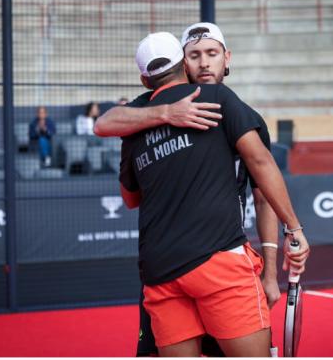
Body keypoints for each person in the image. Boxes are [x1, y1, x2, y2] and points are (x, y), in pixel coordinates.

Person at [96, 23, 287, 356]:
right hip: (182, 269)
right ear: (183, 63)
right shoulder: (143, 110)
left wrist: (270, 272)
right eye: (194, 55)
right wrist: (167, 112)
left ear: (226, 58)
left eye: (211, 54)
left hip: (200, 261)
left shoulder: (239, 111)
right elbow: (103, 123)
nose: (203, 63)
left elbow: (263, 195)